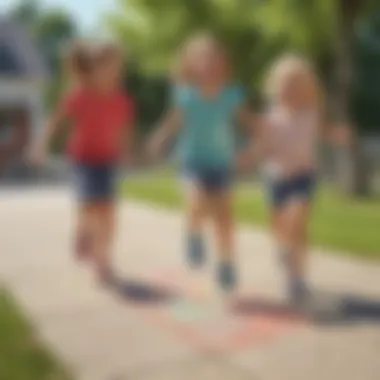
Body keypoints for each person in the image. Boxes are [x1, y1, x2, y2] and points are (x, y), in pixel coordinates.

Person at [239, 54, 351, 305]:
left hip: (303, 175)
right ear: (275, 88)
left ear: (308, 89)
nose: (290, 90)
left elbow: (323, 132)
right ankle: (292, 273)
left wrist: (338, 135)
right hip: (276, 177)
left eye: (296, 85)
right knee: (281, 227)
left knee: (297, 219)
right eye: (285, 85)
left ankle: (297, 277)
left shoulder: (311, 114)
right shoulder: (270, 117)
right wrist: (249, 156)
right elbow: (263, 146)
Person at [148, 35, 252, 294]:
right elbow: (173, 122)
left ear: (223, 64)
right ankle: (193, 236)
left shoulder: (232, 94)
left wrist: (255, 145)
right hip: (192, 162)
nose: (209, 65)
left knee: (224, 219)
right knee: (195, 201)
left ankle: (226, 263)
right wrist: (159, 138)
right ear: (191, 65)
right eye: (202, 60)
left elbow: (248, 121)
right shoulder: (185, 95)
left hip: (221, 163)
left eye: (214, 59)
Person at [30, 42, 135, 284]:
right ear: (92, 70)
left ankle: (103, 259)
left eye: (117, 68)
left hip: (108, 160)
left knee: (108, 213)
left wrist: (127, 150)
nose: (113, 73)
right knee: (89, 203)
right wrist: (41, 145)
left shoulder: (121, 100)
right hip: (83, 159)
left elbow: (125, 128)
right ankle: (83, 228)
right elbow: (55, 121)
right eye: (107, 67)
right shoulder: (78, 96)